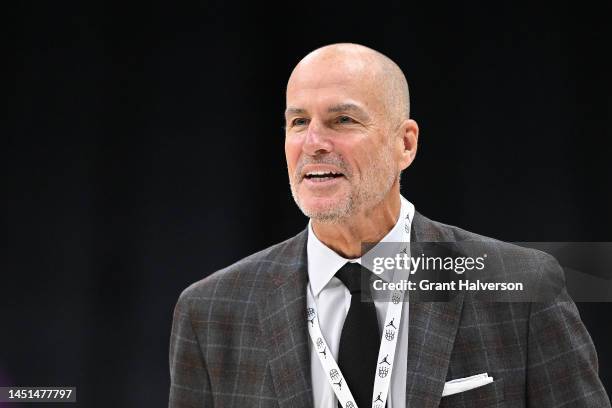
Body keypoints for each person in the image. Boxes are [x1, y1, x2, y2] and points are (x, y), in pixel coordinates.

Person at [168, 43, 610, 407]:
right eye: (298, 122)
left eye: (343, 120)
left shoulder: (522, 286)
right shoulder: (211, 310)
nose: (314, 143)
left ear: (405, 143)